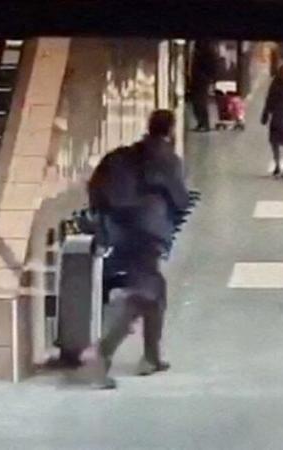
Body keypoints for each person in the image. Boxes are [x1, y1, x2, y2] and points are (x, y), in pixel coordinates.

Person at [84, 110, 189, 389]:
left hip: (120, 230)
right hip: (147, 232)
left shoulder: (124, 155)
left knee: (156, 290)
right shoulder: (167, 158)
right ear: (171, 130)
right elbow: (181, 198)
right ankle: (100, 355)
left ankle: (152, 356)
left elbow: (96, 188)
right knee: (144, 293)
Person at [189, 40, 219, 132]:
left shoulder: (206, 49)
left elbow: (211, 66)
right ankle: (202, 123)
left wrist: (209, 77)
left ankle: (204, 124)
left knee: (200, 101)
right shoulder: (205, 47)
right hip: (199, 78)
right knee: (198, 102)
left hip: (202, 78)